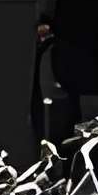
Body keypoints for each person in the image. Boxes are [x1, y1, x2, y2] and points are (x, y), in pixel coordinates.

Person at [28, 15, 65, 148]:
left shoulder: (52, 47)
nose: (41, 29)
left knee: (49, 132)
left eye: (45, 26)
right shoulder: (38, 47)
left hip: (48, 96)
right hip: (37, 94)